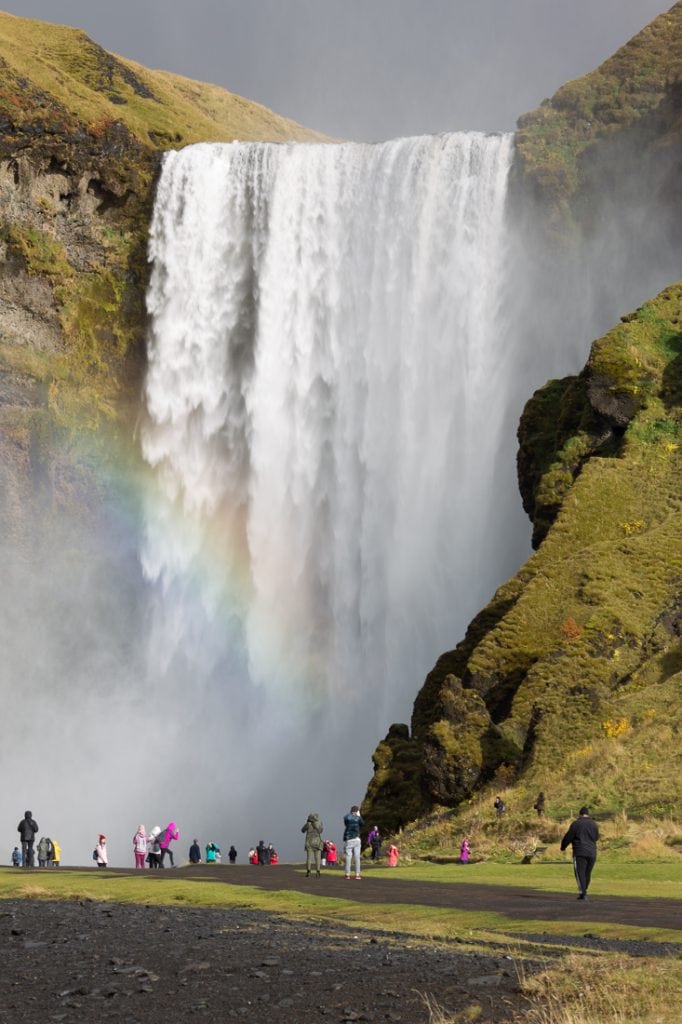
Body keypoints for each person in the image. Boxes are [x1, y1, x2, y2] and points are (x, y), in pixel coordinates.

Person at [561, 806, 600, 900]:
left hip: (580, 851)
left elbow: (568, 836)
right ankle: (584, 890)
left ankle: (583, 892)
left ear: (580, 814)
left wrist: (563, 847)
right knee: (587, 872)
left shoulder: (576, 824)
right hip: (592, 852)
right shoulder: (594, 824)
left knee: (580, 873)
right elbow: (596, 837)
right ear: (588, 814)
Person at [343, 804, 364, 880]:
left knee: (348, 856)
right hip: (357, 838)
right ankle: (357, 875)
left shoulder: (346, 817)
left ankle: (347, 874)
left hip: (349, 839)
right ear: (357, 811)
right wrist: (359, 816)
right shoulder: (358, 818)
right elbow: (362, 824)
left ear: (351, 810)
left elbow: (346, 824)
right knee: (357, 857)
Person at [301, 812, 324, 878]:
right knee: (318, 858)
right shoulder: (320, 822)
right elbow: (321, 831)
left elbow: (302, 830)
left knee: (309, 858)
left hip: (309, 842)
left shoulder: (308, 824)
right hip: (317, 842)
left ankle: (308, 872)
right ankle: (318, 872)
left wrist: (307, 823)